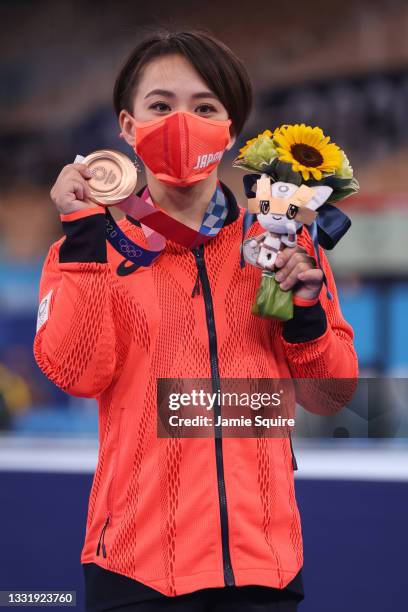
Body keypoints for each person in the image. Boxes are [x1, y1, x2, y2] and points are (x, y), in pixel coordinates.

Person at [33, 29, 358, 612]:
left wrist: (305, 317)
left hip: (265, 568)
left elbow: (332, 396)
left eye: (204, 107)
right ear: (128, 127)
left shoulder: (281, 246)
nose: (183, 122)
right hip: (136, 570)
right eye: (161, 105)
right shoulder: (91, 248)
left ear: (229, 131)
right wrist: (83, 235)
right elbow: (75, 374)